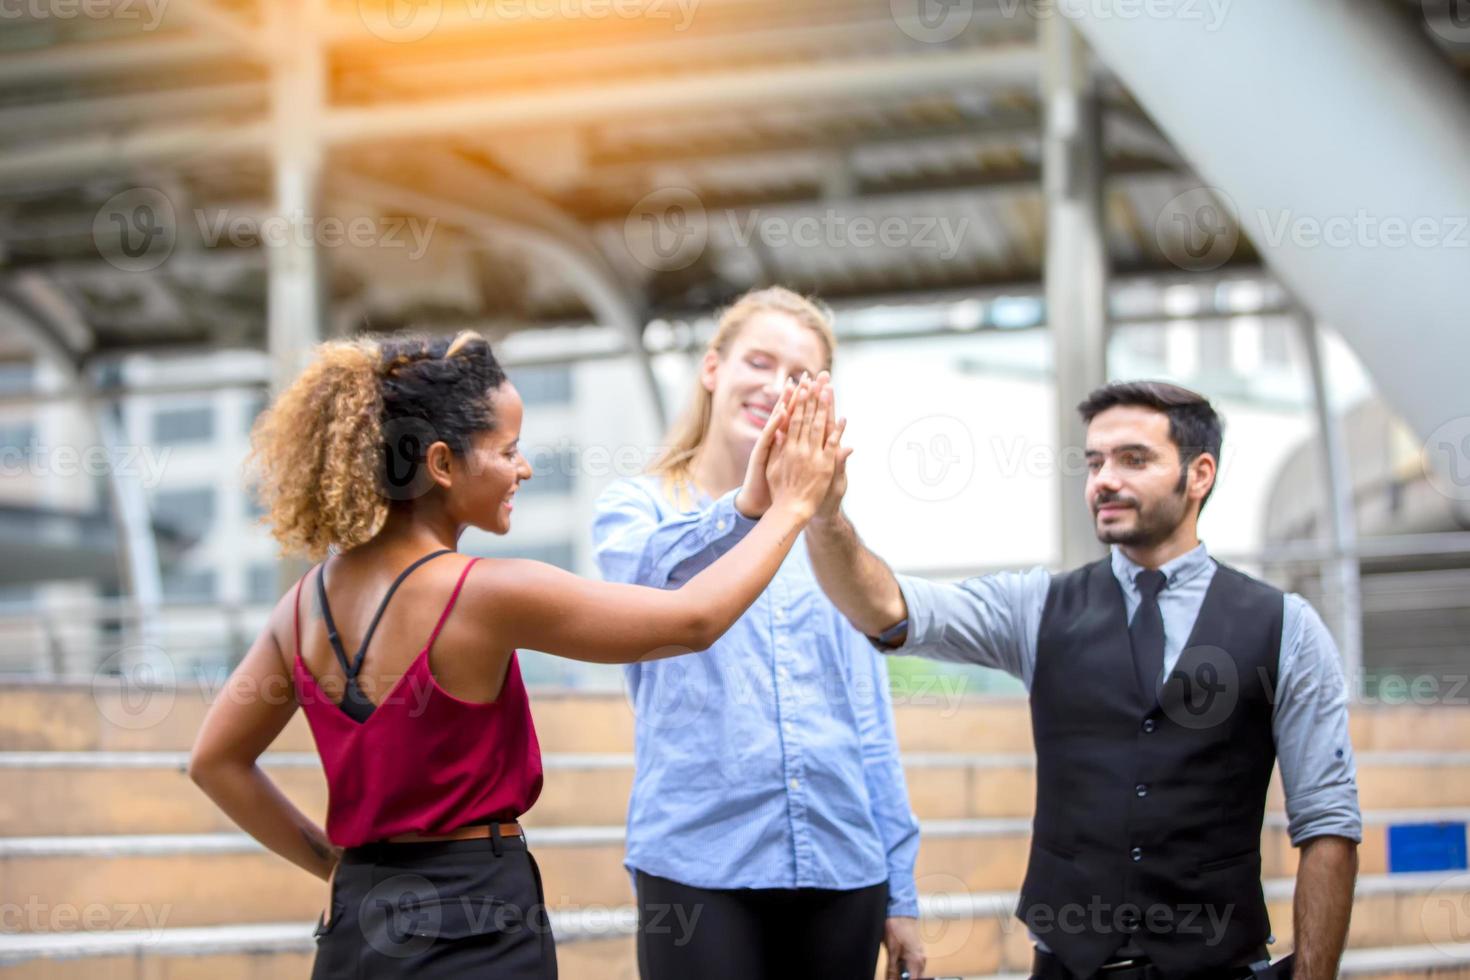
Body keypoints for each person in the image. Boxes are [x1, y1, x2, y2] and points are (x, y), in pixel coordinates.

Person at [187, 329, 841, 980]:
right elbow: (694, 621)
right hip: (477, 922)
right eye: (509, 451)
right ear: (442, 464)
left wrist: (338, 866)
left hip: (357, 924)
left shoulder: (302, 605)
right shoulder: (485, 593)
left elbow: (214, 762)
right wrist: (792, 505)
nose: (523, 469)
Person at [803, 380, 1361, 980]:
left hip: (1218, 965)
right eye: (1094, 461)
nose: (1104, 480)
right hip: (1069, 967)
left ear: (1199, 475)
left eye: (1133, 459)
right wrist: (823, 514)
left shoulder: (1286, 627)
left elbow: (1328, 821)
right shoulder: (1038, 607)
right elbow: (884, 606)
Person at [591, 287, 926, 980]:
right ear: (713, 367)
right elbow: (648, 588)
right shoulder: (635, 507)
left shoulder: (831, 539)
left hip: (842, 867)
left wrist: (902, 888)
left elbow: (868, 717)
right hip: (696, 867)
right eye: (759, 361)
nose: (776, 387)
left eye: (801, 376)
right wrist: (754, 509)